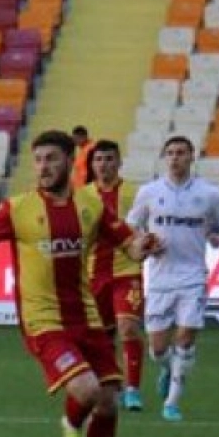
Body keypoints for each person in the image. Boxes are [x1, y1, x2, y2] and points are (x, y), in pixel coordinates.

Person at [0, 130, 157, 437]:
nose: (43, 167)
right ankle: (71, 424)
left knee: (109, 401)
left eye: (51, 159)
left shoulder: (90, 206)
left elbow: (130, 246)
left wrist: (148, 245)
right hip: (43, 320)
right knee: (87, 390)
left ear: (70, 162)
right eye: (38, 159)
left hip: (87, 316)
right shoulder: (17, 208)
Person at [125, 136, 219, 422]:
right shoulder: (149, 192)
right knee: (158, 349)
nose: (175, 157)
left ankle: (172, 404)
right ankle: (167, 368)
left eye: (181, 153)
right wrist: (145, 241)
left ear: (191, 157)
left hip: (193, 276)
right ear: (165, 157)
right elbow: (131, 225)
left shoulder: (208, 194)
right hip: (160, 278)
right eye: (171, 153)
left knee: (185, 339)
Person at [79, 140, 147, 412]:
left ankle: (133, 390)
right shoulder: (82, 196)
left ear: (119, 162)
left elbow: (147, 227)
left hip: (127, 271)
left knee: (128, 326)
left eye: (109, 159)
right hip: (93, 275)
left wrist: (148, 242)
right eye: (98, 159)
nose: (104, 164)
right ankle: (111, 385)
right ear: (92, 165)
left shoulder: (135, 193)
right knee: (103, 337)